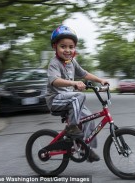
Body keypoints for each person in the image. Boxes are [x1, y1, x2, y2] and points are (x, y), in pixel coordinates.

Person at [45, 25, 109, 162]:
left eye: (71, 47)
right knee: (79, 96)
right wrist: (74, 83)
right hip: (56, 100)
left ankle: (86, 148)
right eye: (63, 46)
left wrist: (100, 80)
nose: (67, 50)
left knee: (89, 119)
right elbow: (54, 81)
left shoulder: (72, 62)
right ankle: (71, 128)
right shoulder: (54, 63)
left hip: (69, 100)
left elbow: (84, 74)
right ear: (54, 47)